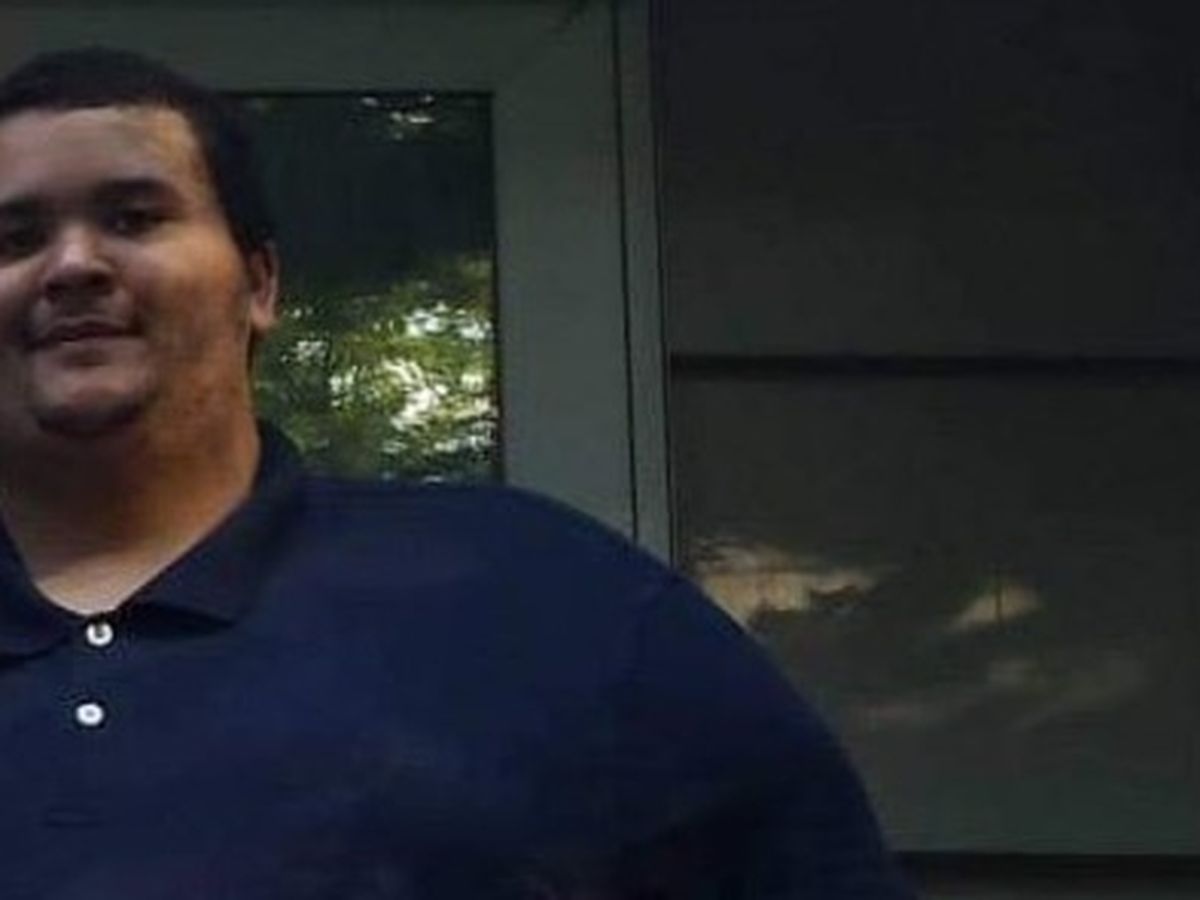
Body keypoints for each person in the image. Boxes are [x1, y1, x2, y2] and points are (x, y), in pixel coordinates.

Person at [0, 48, 912, 898]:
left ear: (261, 283)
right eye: (15, 236)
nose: (73, 265)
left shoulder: (552, 600)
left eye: (134, 218)